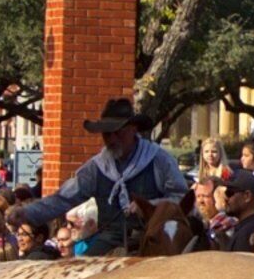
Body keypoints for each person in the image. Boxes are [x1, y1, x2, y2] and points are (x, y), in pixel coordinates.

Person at [16, 98, 191, 239]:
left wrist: (150, 207)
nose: (112, 139)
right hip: (110, 238)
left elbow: (180, 198)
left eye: (118, 132)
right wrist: (26, 214)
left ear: (133, 129)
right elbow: (63, 199)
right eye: (107, 134)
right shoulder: (96, 168)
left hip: (154, 237)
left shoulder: (158, 160)